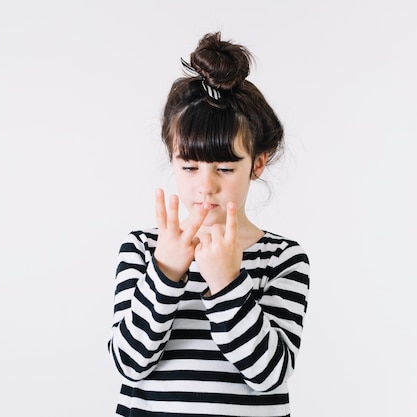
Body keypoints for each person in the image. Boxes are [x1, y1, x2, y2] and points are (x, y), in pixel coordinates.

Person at [108, 32, 310, 417]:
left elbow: (270, 375)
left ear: (258, 164)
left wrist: (227, 282)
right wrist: (165, 273)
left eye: (225, 168)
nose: (206, 185)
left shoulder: (283, 258)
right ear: (172, 160)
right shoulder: (142, 249)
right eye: (189, 166)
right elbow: (129, 364)